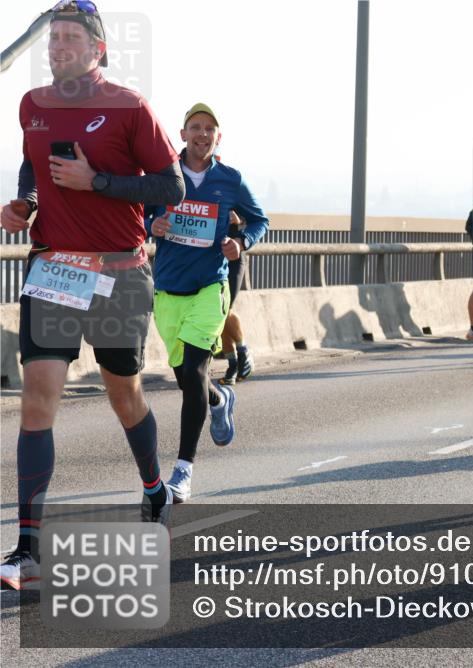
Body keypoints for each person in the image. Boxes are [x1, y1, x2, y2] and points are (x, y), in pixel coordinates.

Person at [0, 3, 184, 589]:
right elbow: (33, 168)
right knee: (38, 399)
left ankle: (154, 488)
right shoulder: (32, 106)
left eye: (71, 38)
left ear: (97, 49)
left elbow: (170, 184)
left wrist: (97, 183)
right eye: (53, 37)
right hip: (54, 266)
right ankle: (28, 547)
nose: (57, 46)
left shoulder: (130, 106)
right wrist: (25, 203)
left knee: (123, 395)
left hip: (120, 270)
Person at [147, 103, 269, 503]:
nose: (202, 134)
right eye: (195, 127)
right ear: (182, 135)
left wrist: (241, 242)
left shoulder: (229, 180)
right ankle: (219, 398)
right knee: (186, 377)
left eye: (210, 129)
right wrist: (153, 225)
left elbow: (259, 220)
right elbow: (136, 212)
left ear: (218, 138)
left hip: (209, 288)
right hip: (167, 289)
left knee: (196, 368)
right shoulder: (164, 176)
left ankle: (183, 470)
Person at [220, 210, 254, 384]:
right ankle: (232, 362)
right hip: (213, 255)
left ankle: (243, 352)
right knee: (219, 311)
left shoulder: (237, 187)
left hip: (235, 255)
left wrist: (240, 221)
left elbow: (259, 221)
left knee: (226, 308)